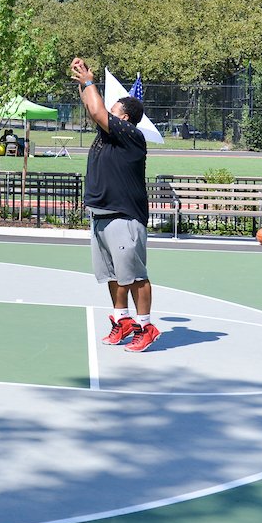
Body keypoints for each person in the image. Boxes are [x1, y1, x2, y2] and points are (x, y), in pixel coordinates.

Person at [70, 57, 160, 353]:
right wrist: (82, 82)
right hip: (101, 216)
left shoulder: (131, 136)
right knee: (112, 276)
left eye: (115, 109)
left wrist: (88, 81)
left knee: (135, 276)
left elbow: (97, 110)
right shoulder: (110, 134)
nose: (108, 112)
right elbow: (92, 108)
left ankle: (146, 326)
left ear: (125, 118)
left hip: (124, 217)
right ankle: (122, 321)